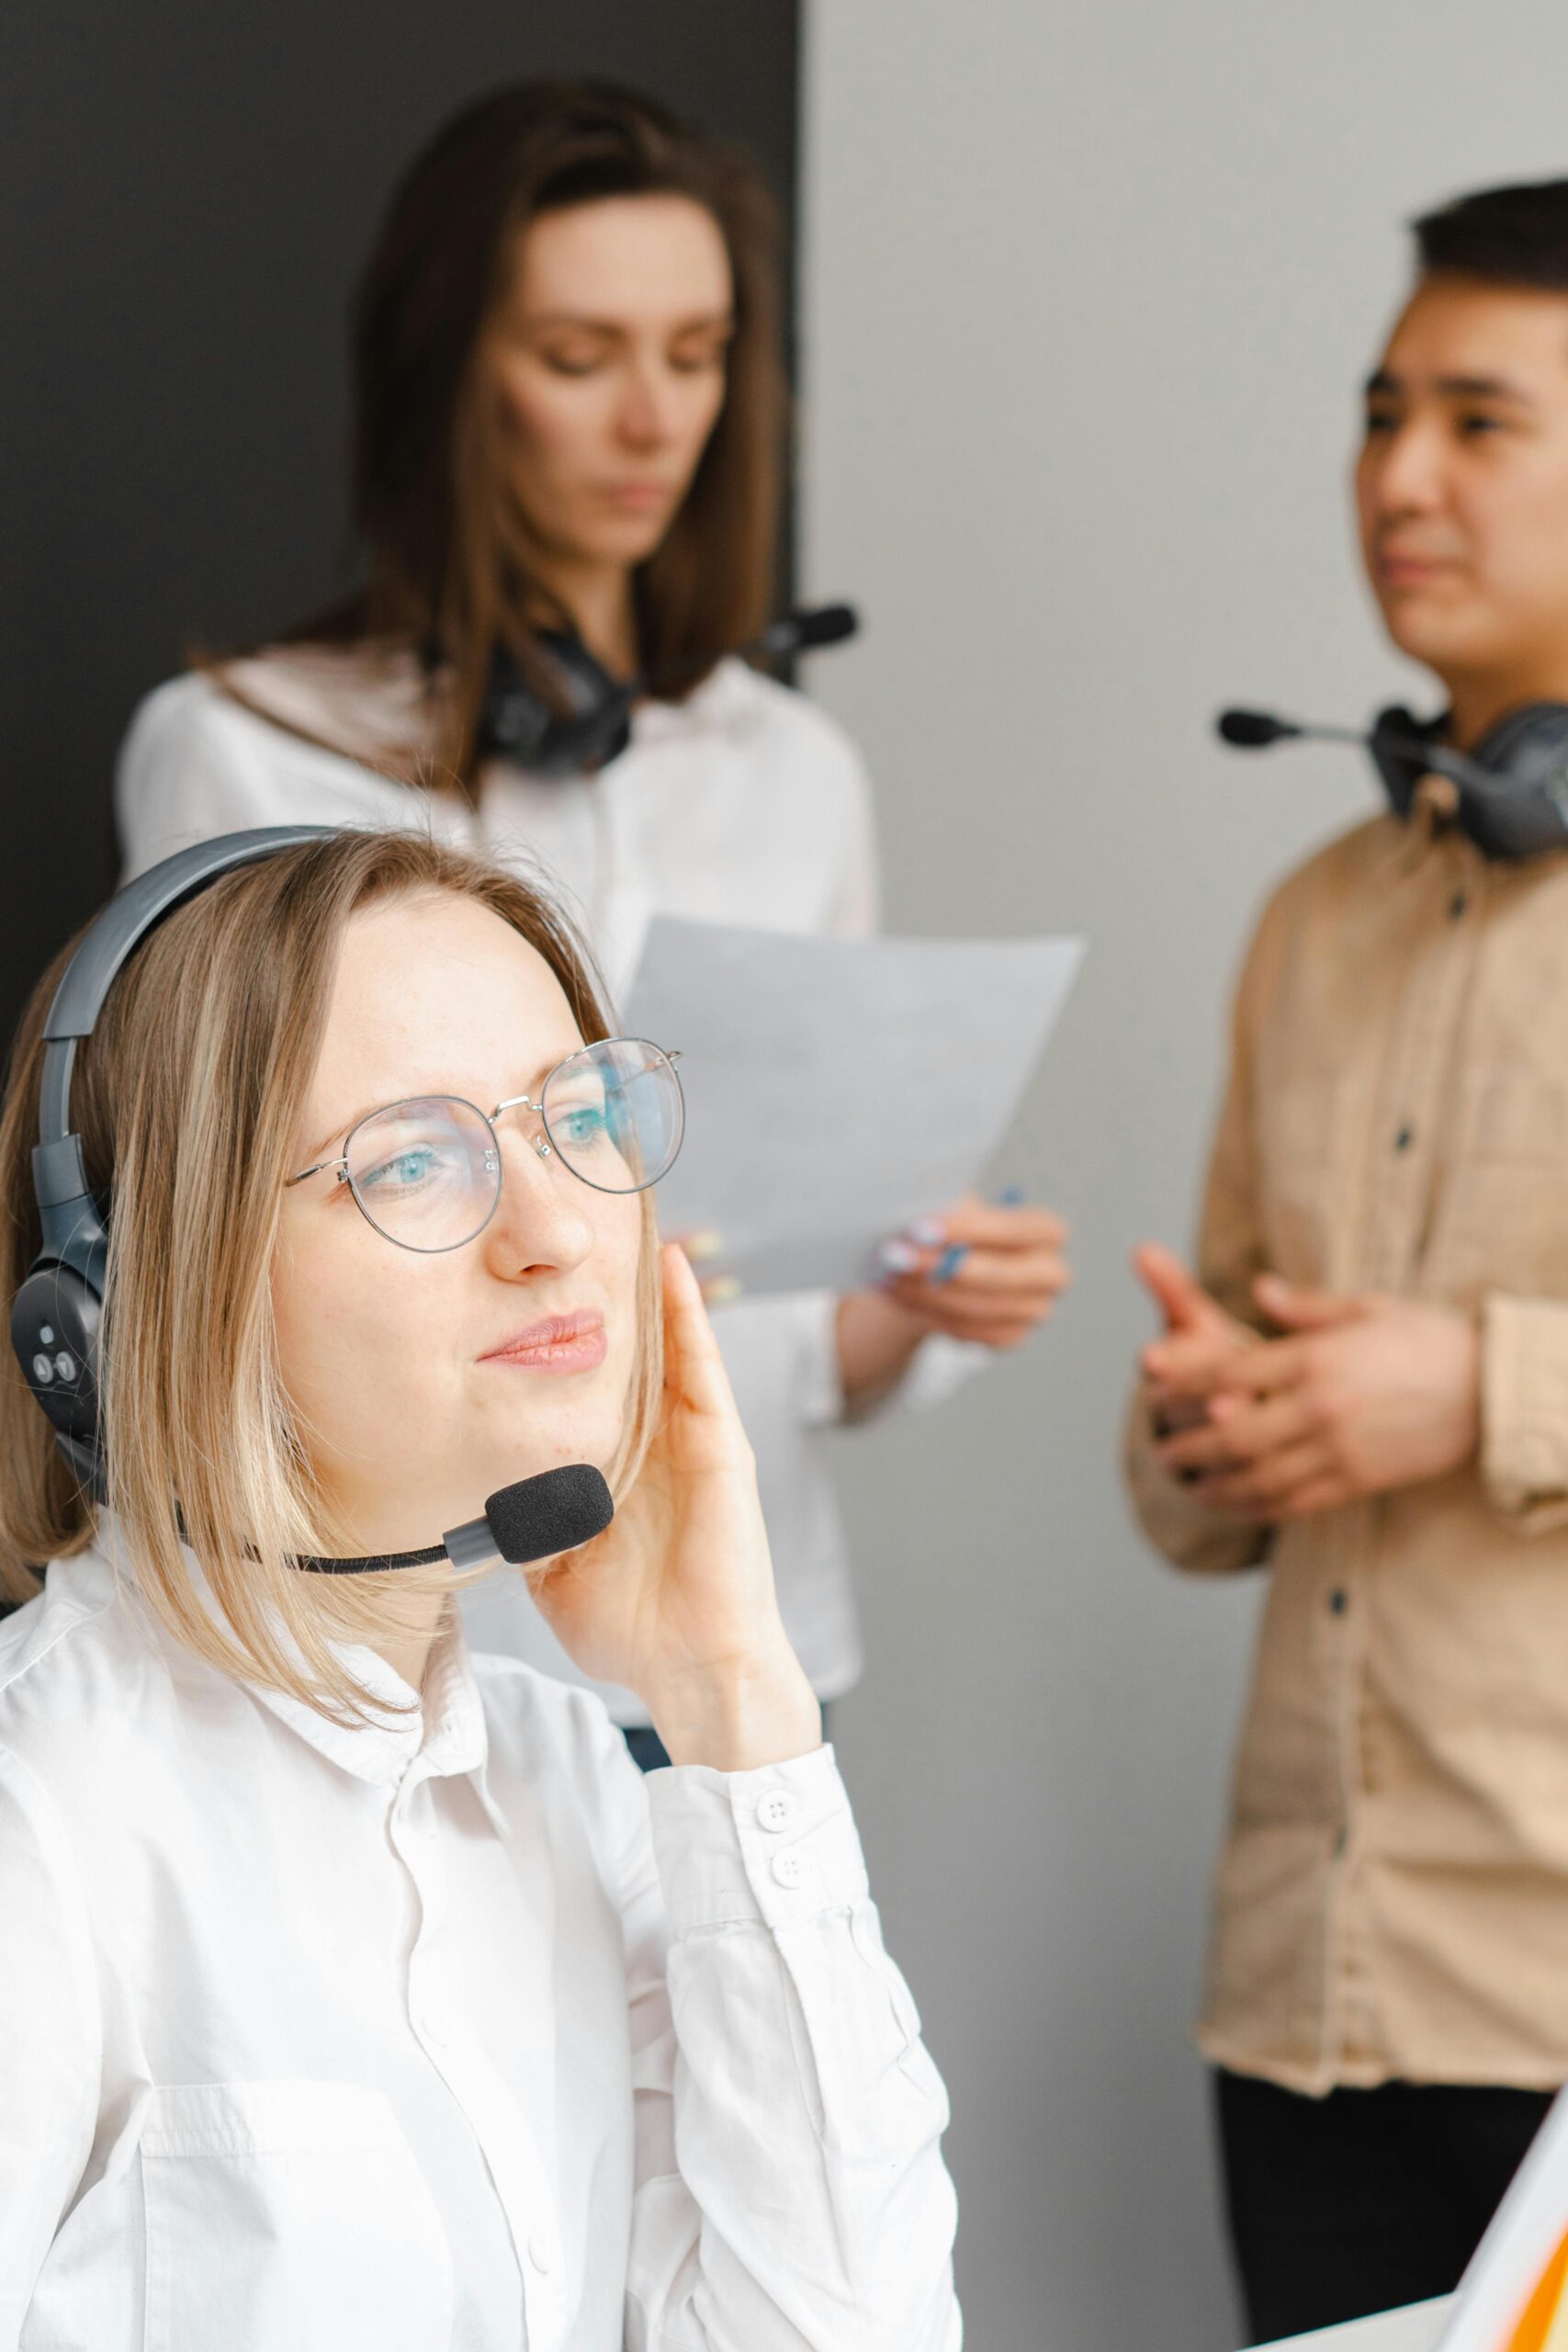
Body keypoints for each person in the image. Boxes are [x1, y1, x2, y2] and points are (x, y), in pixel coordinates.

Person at [114, 80, 1069, 1763]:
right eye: (580, 358)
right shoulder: (244, 745)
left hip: (729, 1624)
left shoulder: (797, 771)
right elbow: (222, 1263)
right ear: (451, 380)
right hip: (408, 1650)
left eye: (695, 356)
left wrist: (910, 1304)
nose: (651, 422)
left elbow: (790, 1343)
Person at [0, 826, 961, 2350]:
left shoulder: (577, 1781)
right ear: (137, 1290)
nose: (559, 1230)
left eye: (580, 1118)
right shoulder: (44, 1824)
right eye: (412, 1160)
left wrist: (736, 1706)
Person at [1124, 177, 1568, 2346]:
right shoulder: (1309, 911)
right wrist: (1206, 1418)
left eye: (1478, 421)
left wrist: (1472, 1389)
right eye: (1381, 412)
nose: (1396, 477)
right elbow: (1185, 1494)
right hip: (1296, 1992)